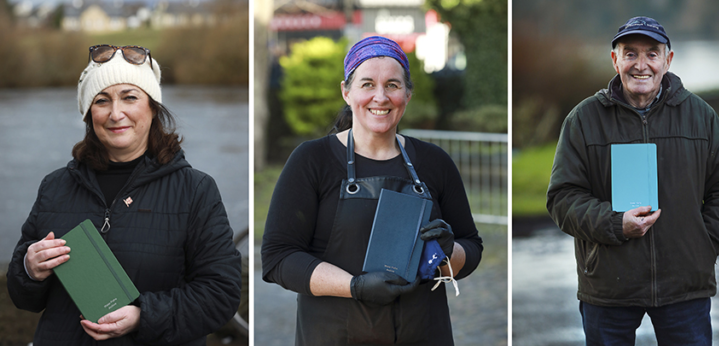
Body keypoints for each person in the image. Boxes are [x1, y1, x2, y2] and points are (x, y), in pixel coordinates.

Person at [6, 45, 242, 345]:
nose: (116, 113)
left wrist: (144, 316)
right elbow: (22, 297)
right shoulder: (55, 186)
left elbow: (221, 295)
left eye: (130, 97)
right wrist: (29, 269)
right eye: (102, 101)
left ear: (152, 107)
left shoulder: (195, 190)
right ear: (89, 114)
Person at [260, 36, 483, 345]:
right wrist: (355, 286)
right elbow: (278, 258)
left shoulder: (435, 162)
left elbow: (471, 248)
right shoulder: (312, 160)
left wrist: (448, 253)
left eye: (392, 85)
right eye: (367, 84)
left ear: (407, 94)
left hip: (423, 334)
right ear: (346, 92)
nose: (381, 97)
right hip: (334, 336)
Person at [546, 16, 719, 345]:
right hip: (608, 286)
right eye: (630, 54)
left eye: (652, 54)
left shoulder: (701, 116)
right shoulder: (583, 120)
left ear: (668, 60)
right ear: (615, 60)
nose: (641, 65)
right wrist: (614, 223)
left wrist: (706, 243)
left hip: (685, 287)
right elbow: (562, 197)